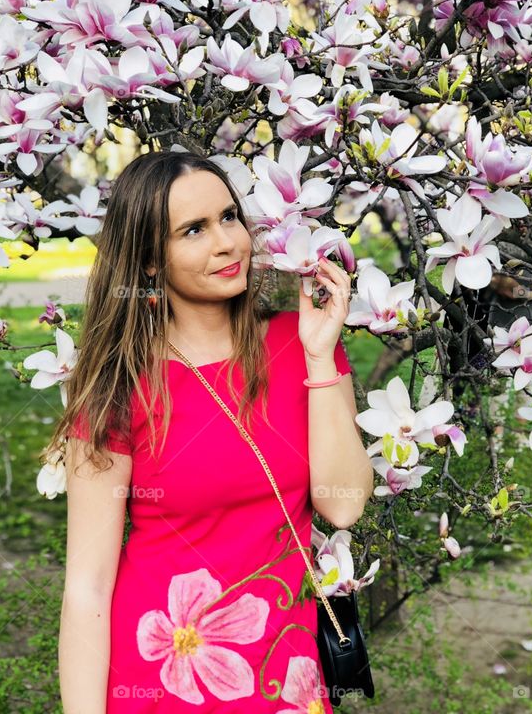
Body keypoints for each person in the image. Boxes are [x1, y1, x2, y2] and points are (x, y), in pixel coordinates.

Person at [50, 150, 374, 713]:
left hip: (286, 674)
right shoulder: (120, 388)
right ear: (151, 261)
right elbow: (87, 587)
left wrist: (320, 359)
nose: (227, 243)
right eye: (193, 230)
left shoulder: (301, 343)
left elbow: (341, 507)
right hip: (163, 675)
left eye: (228, 217)